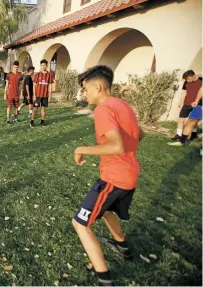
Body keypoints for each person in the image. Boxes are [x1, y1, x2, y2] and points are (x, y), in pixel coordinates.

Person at [72, 65, 145, 286]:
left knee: (80, 224)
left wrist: (80, 149)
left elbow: (116, 146)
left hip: (114, 178)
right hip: (130, 174)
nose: (84, 94)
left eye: (85, 89)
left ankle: (104, 278)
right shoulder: (123, 105)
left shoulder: (103, 109)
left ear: (98, 86)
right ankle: (122, 245)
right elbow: (140, 134)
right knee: (107, 211)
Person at [171, 70, 202, 141]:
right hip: (186, 104)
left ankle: (194, 135)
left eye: (188, 79)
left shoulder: (201, 80)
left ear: (193, 76)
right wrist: (180, 102)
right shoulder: (186, 82)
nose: (187, 81)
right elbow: (184, 92)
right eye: (186, 79)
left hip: (197, 104)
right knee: (181, 119)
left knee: (193, 121)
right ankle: (178, 135)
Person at [31, 59, 54, 127]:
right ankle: (32, 122)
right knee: (35, 108)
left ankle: (42, 122)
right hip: (38, 95)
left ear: (46, 66)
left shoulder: (49, 74)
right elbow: (34, 85)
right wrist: (34, 95)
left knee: (43, 109)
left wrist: (50, 95)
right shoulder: (37, 74)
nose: (43, 66)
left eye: (44, 65)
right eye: (41, 65)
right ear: (40, 66)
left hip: (45, 95)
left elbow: (50, 85)